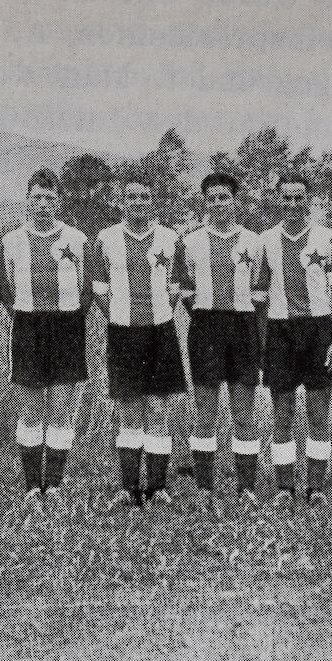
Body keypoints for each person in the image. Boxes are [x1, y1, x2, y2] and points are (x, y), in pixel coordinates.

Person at [92, 171, 185, 507]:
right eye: (131, 197)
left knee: (159, 408)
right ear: (122, 202)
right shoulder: (106, 238)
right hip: (123, 331)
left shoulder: (170, 238)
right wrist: (120, 315)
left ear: (152, 201)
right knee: (129, 409)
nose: (137, 203)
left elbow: (176, 288)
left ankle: (157, 487)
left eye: (144, 197)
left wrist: (157, 312)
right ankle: (130, 488)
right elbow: (100, 289)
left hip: (160, 330)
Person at [255, 173, 332, 509]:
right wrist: (263, 343)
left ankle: (316, 486)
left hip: (319, 328)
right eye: (286, 198)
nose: (293, 204)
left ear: (310, 200)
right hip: (280, 331)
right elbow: (259, 299)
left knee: (319, 412)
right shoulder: (265, 241)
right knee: (282, 411)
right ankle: (284, 486)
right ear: (277, 200)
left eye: (299, 197)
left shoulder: (328, 239)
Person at [0, 168, 90, 508]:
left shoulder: (78, 240)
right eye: (36, 198)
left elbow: (86, 290)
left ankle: (53, 482)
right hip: (27, 325)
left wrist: (70, 316)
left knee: (63, 403)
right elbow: (4, 289)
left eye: (49, 198)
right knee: (31, 403)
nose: (42, 204)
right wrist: (22, 313)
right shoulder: (11, 240)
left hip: (66, 325)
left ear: (58, 201)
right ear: (27, 200)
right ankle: (31, 484)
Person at [176, 172, 264, 507]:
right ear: (205, 202)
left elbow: (259, 291)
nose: (218, 203)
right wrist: (205, 312)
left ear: (235, 199)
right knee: (205, 411)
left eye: (224, 196)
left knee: (244, 411)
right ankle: (203, 487)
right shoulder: (190, 242)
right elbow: (185, 290)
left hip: (243, 328)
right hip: (206, 326)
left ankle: (246, 487)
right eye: (211, 197)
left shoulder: (253, 243)